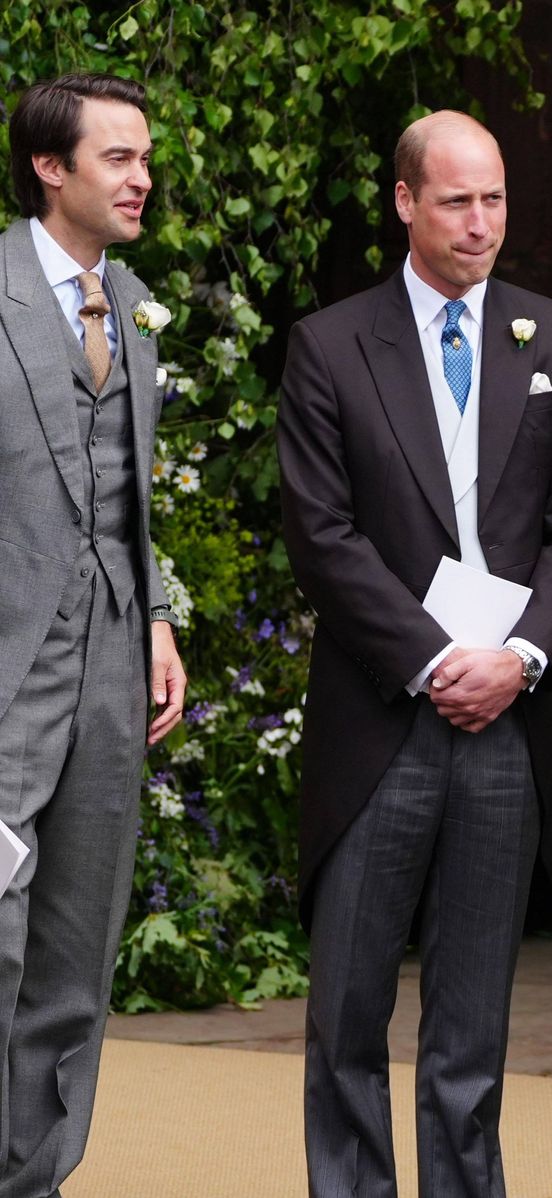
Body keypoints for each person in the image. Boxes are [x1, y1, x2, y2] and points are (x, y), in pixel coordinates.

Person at [277, 110, 552, 1197]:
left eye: (497, 199)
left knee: (473, 1030)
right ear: (404, 202)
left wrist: (517, 656)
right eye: (459, 200)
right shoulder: (331, 344)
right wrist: (433, 660)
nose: (482, 223)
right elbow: (321, 535)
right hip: (382, 721)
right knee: (347, 1022)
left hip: (507, 720)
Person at [0, 74, 186, 1197]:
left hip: (111, 665)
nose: (142, 179)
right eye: (118, 158)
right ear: (50, 167)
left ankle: (37, 1177)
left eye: (146, 158)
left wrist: (157, 618)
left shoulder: (135, 307)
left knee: (75, 948)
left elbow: (128, 500)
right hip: (6, 665)